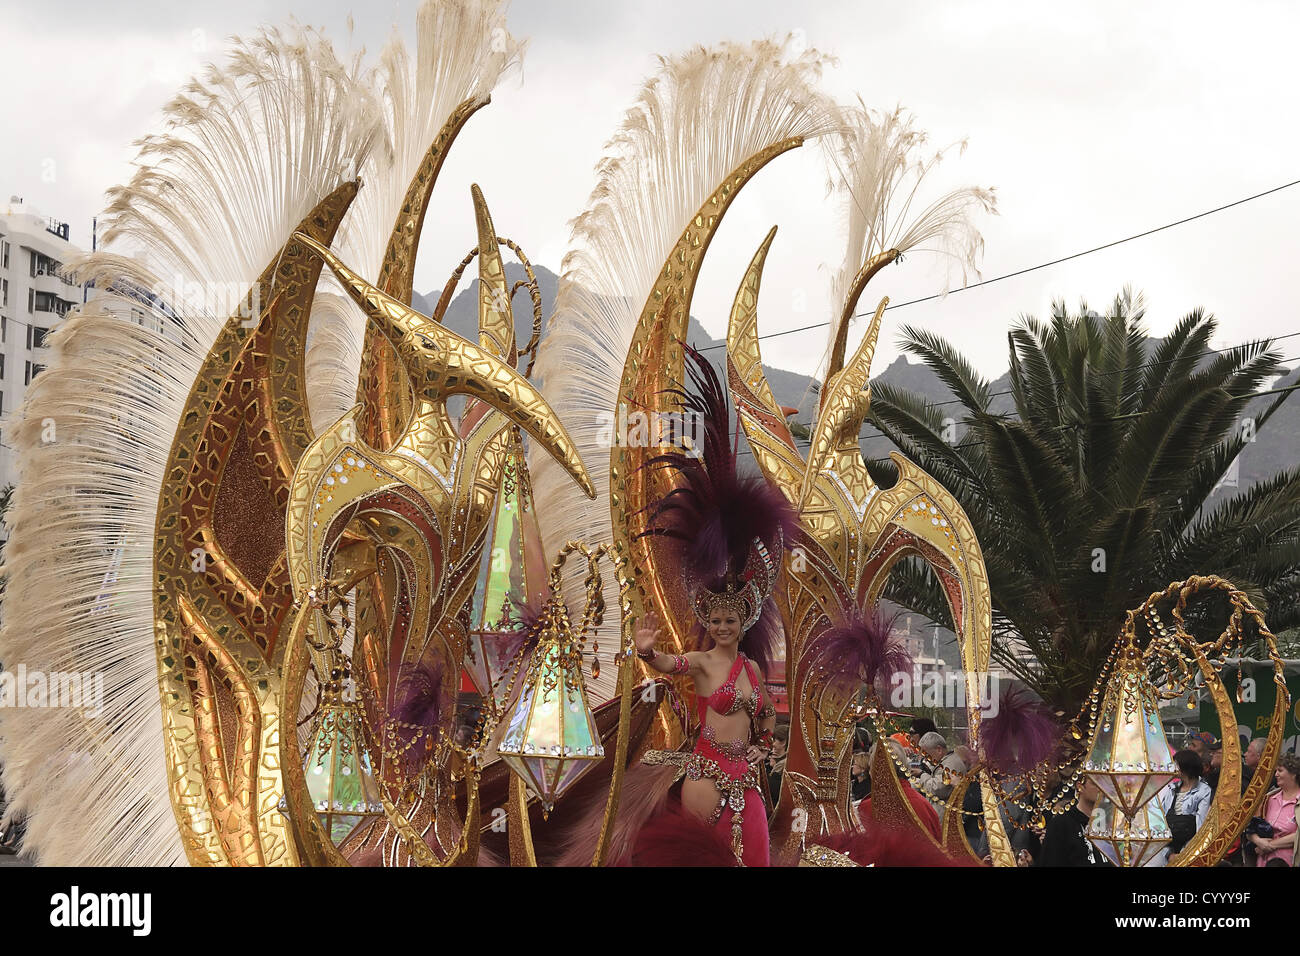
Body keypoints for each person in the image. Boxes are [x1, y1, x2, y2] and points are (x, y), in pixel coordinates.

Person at [634, 600, 777, 867]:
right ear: (708, 625)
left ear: (743, 623)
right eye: (715, 621)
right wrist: (648, 653)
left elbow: (768, 713)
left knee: (757, 855)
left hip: (744, 775)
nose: (722, 627)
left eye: (729, 621)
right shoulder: (702, 662)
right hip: (706, 775)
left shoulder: (752, 668)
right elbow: (670, 664)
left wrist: (764, 746)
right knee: (703, 857)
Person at [1156, 749, 1213, 865]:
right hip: (1167, 851)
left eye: (1175, 765)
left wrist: (1186, 853)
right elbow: (1160, 822)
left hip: (1191, 851)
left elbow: (1201, 825)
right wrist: (1169, 854)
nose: (1172, 768)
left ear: (1185, 767)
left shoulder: (1204, 791)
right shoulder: (1171, 789)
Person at [1037, 775, 1105, 866]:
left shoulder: (1111, 821)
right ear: (1080, 786)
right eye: (1095, 783)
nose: (1101, 787)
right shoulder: (1061, 824)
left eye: (1105, 782)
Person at [1249, 753, 1299, 867]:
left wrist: (1270, 845)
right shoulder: (1269, 798)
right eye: (1276, 771)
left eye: (1280, 771)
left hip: (1289, 861)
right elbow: (1249, 828)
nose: (1276, 774)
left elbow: (1298, 835)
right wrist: (1258, 841)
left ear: (1294, 774)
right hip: (1263, 860)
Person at [767, 724, 788, 807]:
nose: (773, 744)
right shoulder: (772, 762)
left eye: (774, 740)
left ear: (784, 742)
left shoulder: (784, 764)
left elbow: (773, 791)